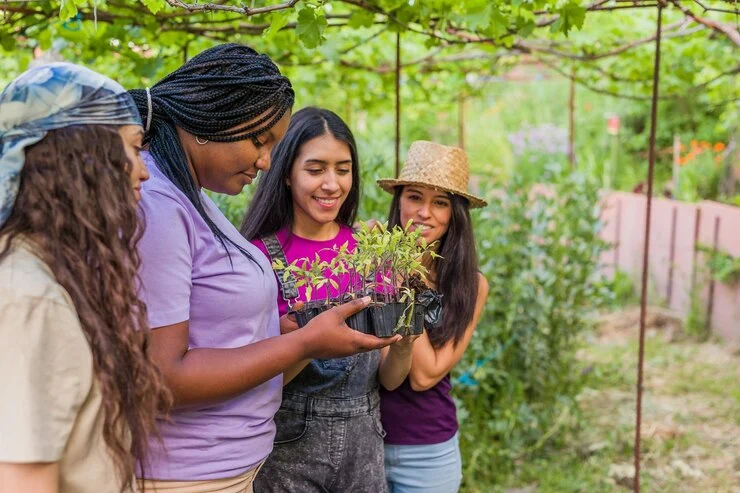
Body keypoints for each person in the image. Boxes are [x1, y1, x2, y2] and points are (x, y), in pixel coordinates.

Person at [130, 45, 396, 492]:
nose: (265, 161)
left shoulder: (194, 199)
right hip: (188, 473)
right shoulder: (160, 205)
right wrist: (304, 343)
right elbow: (164, 375)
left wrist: (277, 327)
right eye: (259, 140)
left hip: (227, 467)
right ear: (211, 121)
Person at [0, 62, 171, 493]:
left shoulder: (44, 275)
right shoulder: (28, 298)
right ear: (83, 158)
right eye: (132, 149)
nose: (143, 170)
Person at [242, 107, 415, 493]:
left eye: (343, 169)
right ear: (286, 173)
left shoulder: (372, 251)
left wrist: (405, 344)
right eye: (316, 169)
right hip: (288, 451)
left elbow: (388, 378)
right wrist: (306, 345)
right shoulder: (258, 257)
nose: (332, 184)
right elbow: (256, 383)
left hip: (365, 449)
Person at [377, 141, 490, 493]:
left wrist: (402, 280)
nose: (424, 212)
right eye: (414, 197)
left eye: (440, 202)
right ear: (399, 202)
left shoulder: (471, 285)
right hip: (363, 440)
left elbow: (425, 375)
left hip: (429, 452)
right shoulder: (369, 263)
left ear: (455, 213)